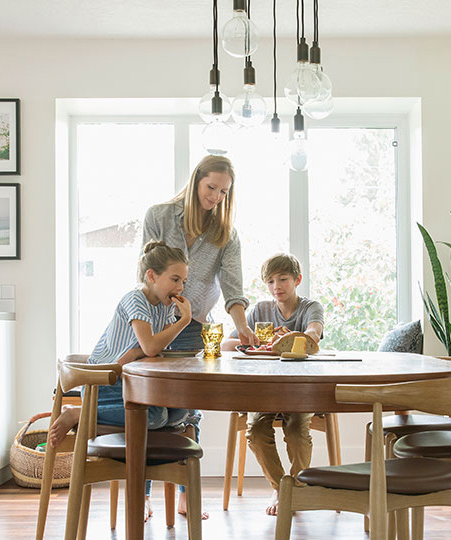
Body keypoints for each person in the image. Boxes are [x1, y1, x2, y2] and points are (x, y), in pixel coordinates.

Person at [48, 240, 204, 521]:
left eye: (183, 280)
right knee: (154, 417)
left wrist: (143, 348)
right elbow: (152, 347)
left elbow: (150, 348)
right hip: (104, 385)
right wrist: (184, 321)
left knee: (188, 412)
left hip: (130, 382)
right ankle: (79, 412)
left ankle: (184, 494)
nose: (180, 287)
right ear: (151, 276)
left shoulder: (162, 306)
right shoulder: (136, 299)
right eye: (175, 279)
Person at [222, 253, 324, 516]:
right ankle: (282, 489)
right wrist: (253, 341)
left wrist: (291, 338)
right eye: (270, 281)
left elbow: (313, 336)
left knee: (298, 430)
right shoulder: (259, 310)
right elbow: (226, 344)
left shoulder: (310, 307)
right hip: (265, 389)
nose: (276, 286)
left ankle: (297, 488)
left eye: (283, 279)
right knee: (255, 430)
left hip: (301, 389)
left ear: (297, 280)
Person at [142, 155, 259, 350]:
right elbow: (145, 272)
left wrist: (242, 327)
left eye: (223, 192)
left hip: (193, 327)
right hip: (153, 321)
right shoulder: (158, 217)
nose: (216, 197)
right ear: (196, 181)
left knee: (192, 380)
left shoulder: (226, 235)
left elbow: (233, 288)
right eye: (211, 187)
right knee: (148, 378)